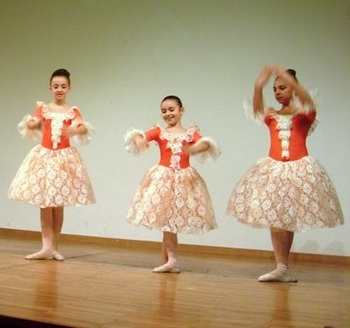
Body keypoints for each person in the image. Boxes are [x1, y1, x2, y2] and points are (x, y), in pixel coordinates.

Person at [227, 65, 343, 282]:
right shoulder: (272, 116)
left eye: (283, 87)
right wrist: (258, 86)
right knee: (275, 217)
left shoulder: (305, 114)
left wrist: (290, 81)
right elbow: (257, 108)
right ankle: (281, 266)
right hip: (274, 170)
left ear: (293, 88)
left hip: (299, 169)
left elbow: (307, 100)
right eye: (275, 89)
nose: (278, 92)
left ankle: (283, 267)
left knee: (288, 218)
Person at [124, 95, 220, 273]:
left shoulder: (190, 133)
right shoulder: (160, 131)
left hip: (184, 180)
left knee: (172, 221)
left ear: (181, 111)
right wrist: (140, 141)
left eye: (171, 109)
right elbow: (139, 135)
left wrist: (195, 148)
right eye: (164, 111)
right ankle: (170, 260)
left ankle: (170, 261)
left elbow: (206, 144)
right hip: (163, 180)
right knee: (167, 221)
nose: (167, 113)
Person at [8, 68, 96, 261]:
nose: (59, 89)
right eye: (56, 86)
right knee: (45, 204)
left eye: (63, 86)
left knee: (58, 205)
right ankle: (46, 246)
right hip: (45, 159)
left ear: (69, 88)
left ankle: (54, 247)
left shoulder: (73, 111)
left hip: (64, 160)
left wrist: (77, 129)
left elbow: (81, 125)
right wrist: (32, 124)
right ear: (50, 88)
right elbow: (34, 121)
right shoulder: (43, 109)